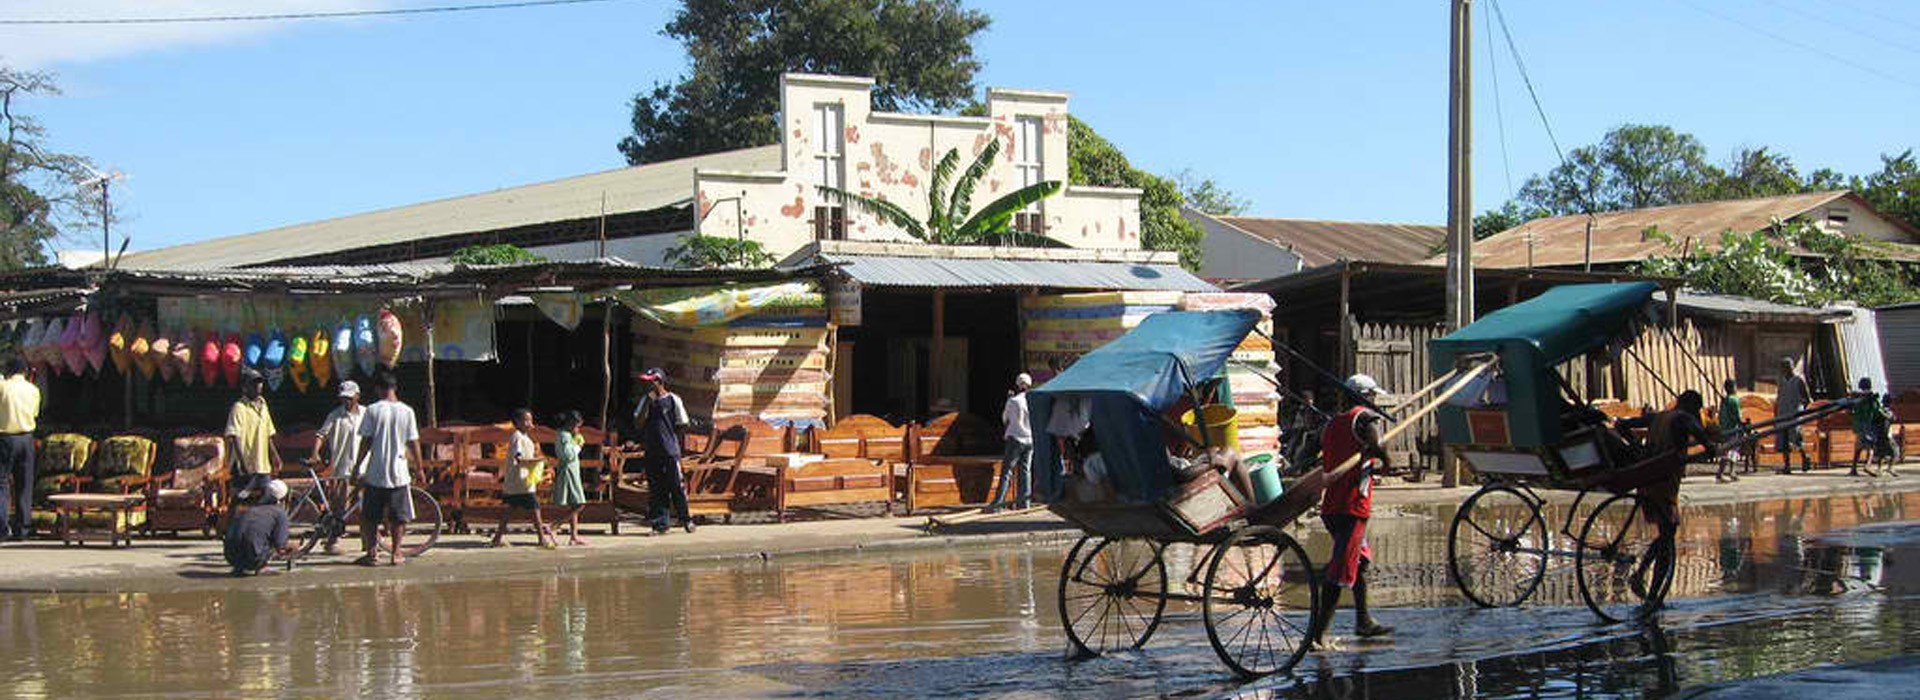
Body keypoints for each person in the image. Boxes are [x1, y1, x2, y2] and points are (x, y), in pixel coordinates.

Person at [1308, 374, 1396, 649]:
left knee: (1361, 563)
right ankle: (1319, 634)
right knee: (1339, 571)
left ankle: (1363, 621)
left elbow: (1317, 449)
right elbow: (1377, 447)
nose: (1373, 401)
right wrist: (1386, 460)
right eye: (1371, 396)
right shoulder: (1365, 419)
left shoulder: (1333, 424)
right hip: (1351, 506)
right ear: (1364, 396)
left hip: (1332, 506)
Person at [353, 371, 425, 566]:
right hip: (399, 473)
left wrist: (357, 466)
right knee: (398, 517)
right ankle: (396, 553)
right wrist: (420, 468)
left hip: (376, 472)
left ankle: (372, 553)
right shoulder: (407, 411)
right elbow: (413, 442)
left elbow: (366, 441)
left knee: (370, 516)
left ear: (378, 389)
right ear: (395, 388)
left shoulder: (372, 410)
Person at [1619, 390, 1719, 528]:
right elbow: (1704, 439)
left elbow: (1621, 425)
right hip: (1665, 476)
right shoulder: (1684, 418)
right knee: (1669, 526)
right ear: (1691, 406)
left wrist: (1637, 447)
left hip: (1647, 476)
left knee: (1665, 524)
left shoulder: (1657, 417)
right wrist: (1711, 449)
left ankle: (1661, 548)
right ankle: (1657, 549)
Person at [632, 368, 692, 535]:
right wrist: (647, 404)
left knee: (676, 486)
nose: (646, 385)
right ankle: (660, 524)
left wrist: (669, 438)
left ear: (659, 382)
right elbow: (638, 422)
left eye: (650, 381)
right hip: (652, 451)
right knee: (657, 489)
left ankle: (685, 518)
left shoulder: (673, 400)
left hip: (670, 451)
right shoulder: (645, 400)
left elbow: (683, 423)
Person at [310, 380, 365, 554]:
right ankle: (332, 541)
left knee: (365, 506)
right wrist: (315, 453)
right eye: (344, 398)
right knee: (340, 506)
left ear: (357, 396)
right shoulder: (335, 415)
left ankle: (368, 541)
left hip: (364, 467)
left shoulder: (367, 414)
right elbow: (321, 434)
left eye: (350, 398)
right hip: (343, 467)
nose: (346, 401)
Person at [491, 408, 557, 549]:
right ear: (518, 422)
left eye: (530, 420)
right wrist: (536, 461)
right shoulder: (517, 437)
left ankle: (497, 539)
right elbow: (519, 459)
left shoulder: (526, 438)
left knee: (509, 510)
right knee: (535, 508)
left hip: (520, 481)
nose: (530, 422)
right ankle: (541, 539)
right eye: (526, 420)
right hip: (520, 482)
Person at [225, 368, 284, 504]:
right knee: (241, 499)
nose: (258, 386)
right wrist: (242, 462)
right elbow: (234, 436)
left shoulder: (263, 406)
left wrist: (275, 456)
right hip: (244, 466)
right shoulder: (239, 407)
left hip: (262, 464)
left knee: (268, 498)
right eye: (253, 383)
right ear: (245, 387)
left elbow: (268, 434)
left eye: (260, 383)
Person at [0, 358, 41, 542]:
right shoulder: (33, 390)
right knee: (25, 483)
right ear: (24, 371)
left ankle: (2, 526)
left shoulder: (3, 387)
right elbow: (34, 414)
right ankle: (23, 527)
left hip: (5, 437)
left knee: (2, 483)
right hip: (26, 438)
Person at [984, 373, 1034, 513]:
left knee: (1007, 472)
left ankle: (998, 504)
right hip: (1030, 439)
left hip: (1016, 438)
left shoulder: (1013, 401)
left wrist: (1008, 400)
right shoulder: (1033, 401)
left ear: (1018, 385)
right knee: (1026, 471)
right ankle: (1024, 504)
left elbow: (1005, 419)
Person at [223, 479, 291, 576]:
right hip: (253, 559)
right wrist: (292, 548)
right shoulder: (279, 514)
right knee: (270, 540)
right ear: (282, 499)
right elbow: (280, 545)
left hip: (230, 558)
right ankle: (261, 566)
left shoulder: (247, 508)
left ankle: (240, 568)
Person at [551, 410, 590, 546]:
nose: (578, 429)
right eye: (577, 426)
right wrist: (578, 445)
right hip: (568, 471)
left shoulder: (568, 435)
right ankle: (554, 526)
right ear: (571, 424)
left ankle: (573, 536)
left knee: (574, 503)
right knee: (580, 504)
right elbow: (568, 455)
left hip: (573, 471)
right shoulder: (564, 435)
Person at [1773, 357, 1814, 474]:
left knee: (1796, 439)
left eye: (1787, 366)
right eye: (1783, 367)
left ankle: (1805, 458)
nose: (1785, 369)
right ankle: (1787, 465)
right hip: (1782, 413)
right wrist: (1776, 412)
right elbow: (1779, 397)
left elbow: (1807, 398)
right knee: (1783, 441)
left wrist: (1802, 411)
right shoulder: (1781, 381)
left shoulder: (1798, 380)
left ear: (1791, 367)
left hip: (1794, 413)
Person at [1849, 377, 1893, 477]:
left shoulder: (1857, 398)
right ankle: (1867, 465)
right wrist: (1887, 416)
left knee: (1858, 448)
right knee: (1871, 448)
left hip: (1858, 426)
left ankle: (1853, 469)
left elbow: (1852, 410)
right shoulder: (1871, 398)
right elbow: (1877, 410)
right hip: (1868, 426)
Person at [1715, 379, 1743, 483]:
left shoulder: (1724, 400)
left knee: (1732, 451)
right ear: (1732, 388)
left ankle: (1732, 472)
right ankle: (1720, 473)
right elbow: (1737, 416)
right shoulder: (1734, 400)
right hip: (1732, 429)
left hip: (1724, 428)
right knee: (1728, 451)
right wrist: (1742, 425)